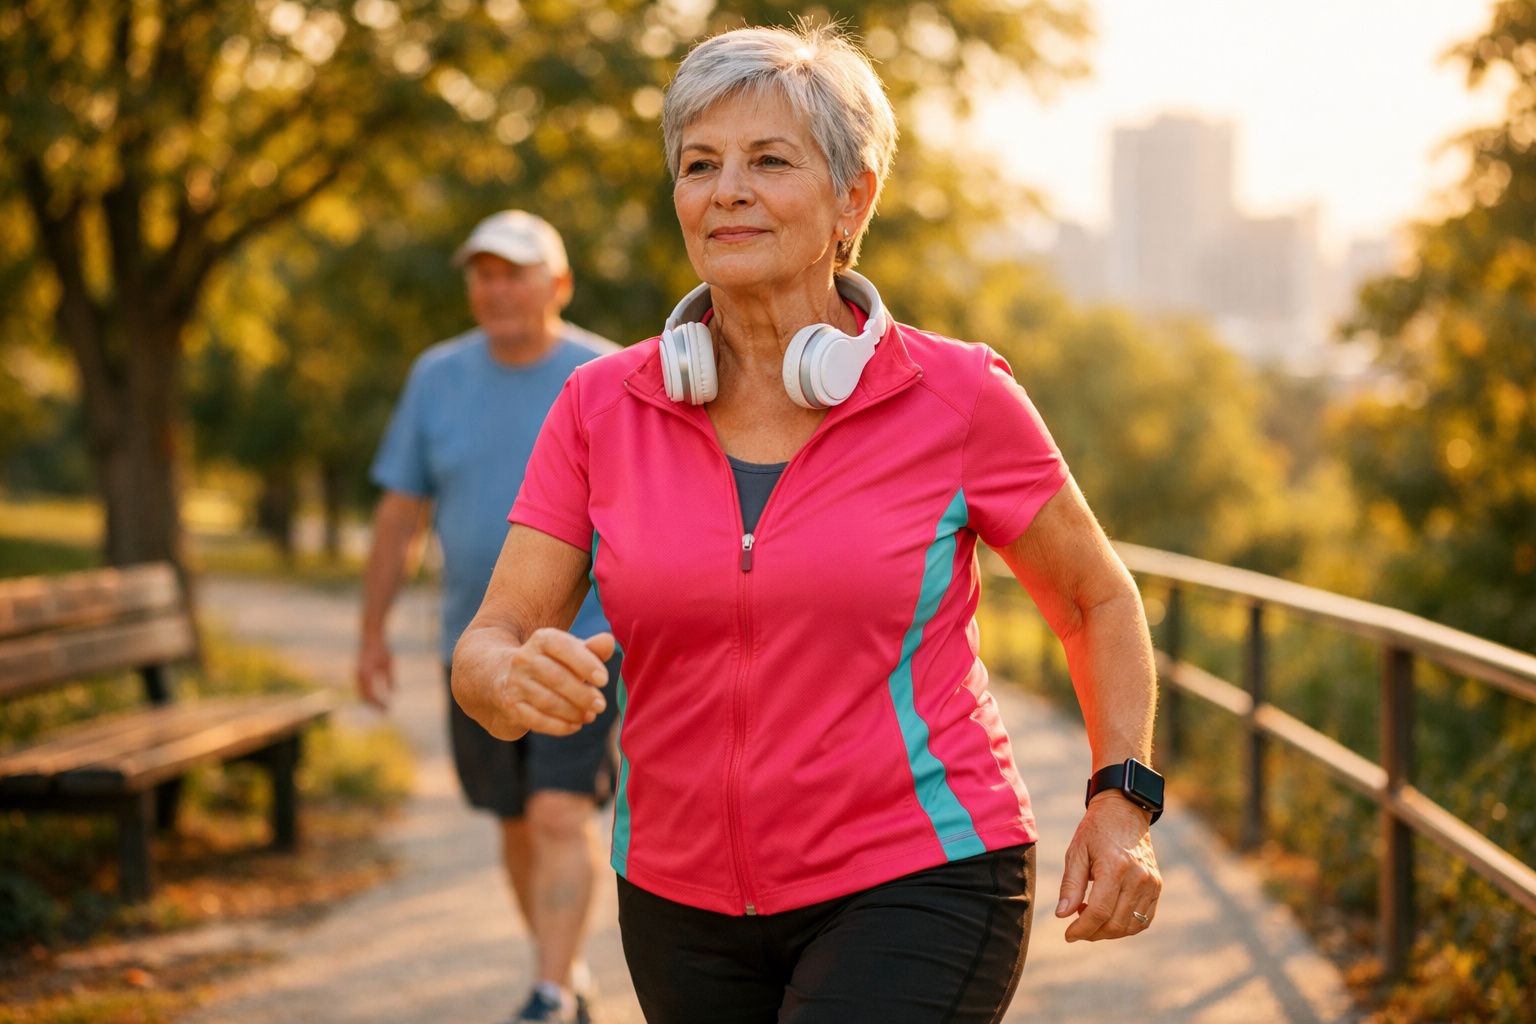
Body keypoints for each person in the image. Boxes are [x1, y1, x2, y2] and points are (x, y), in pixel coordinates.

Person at [452, 24, 1164, 1024]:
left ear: (853, 198)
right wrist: (508, 678)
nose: (726, 189)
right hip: (675, 894)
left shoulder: (956, 394)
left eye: (769, 160)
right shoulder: (599, 407)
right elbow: (489, 640)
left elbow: (1095, 599)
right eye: (700, 165)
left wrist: (1121, 799)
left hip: (921, 872)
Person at [357, 210, 619, 1024]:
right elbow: (400, 516)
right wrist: (371, 634)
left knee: (556, 811)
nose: (497, 288)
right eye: (483, 273)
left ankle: (546, 992)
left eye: (516, 272)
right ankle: (564, 971)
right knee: (511, 819)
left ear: (560, 284)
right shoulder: (436, 376)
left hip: (584, 642)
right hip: (473, 647)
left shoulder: (608, 375)